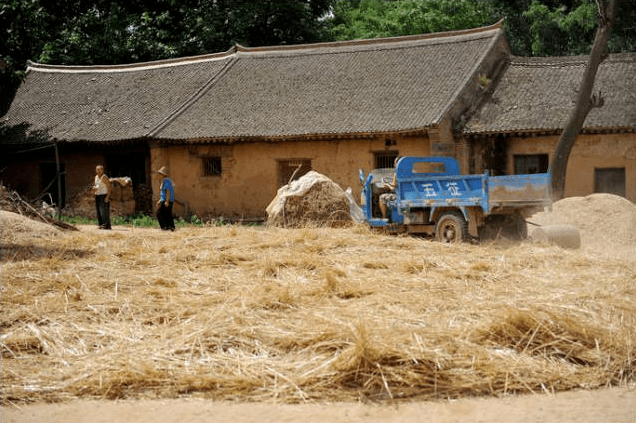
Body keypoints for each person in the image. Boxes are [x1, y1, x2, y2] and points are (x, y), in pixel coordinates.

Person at [155, 166, 175, 231]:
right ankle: (171, 227)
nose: (159, 175)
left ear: (163, 175)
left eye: (160, 174)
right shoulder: (165, 181)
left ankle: (164, 227)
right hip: (166, 200)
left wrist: (166, 201)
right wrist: (160, 200)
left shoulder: (166, 181)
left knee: (159, 213)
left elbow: (168, 191)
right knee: (167, 214)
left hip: (167, 200)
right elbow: (164, 192)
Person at [93, 165, 112, 229]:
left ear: (102, 170)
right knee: (98, 210)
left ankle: (107, 225)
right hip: (97, 195)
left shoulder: (104, 177)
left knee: (104, 210)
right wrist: (94, 188)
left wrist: (107, 197)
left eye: (99, 169)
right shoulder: (96, 177)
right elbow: (96, 185)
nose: (98, 171)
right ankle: (100, 224)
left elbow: (109, 187)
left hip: (103, 195)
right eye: (97, 169)